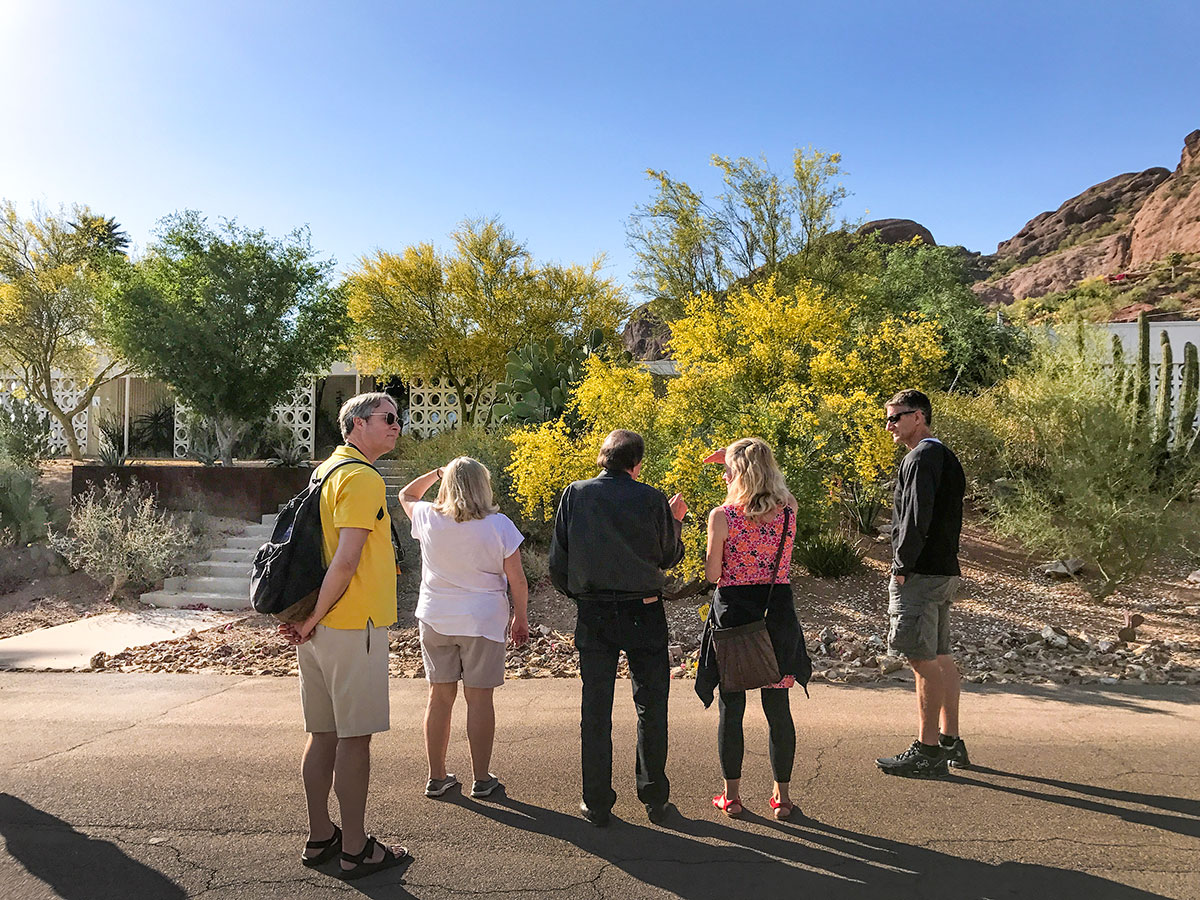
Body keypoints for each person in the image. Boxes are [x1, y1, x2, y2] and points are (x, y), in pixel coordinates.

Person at [279, 392, 409, 880]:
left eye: (399, 418)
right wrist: (312, 619)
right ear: (356, 424)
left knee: (323, 735)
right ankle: (356, 849)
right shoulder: (361, 477)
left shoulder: (326, 470)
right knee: (355, 741)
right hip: (354, 625)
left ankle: (320, 838)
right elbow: (347, 560)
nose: (396, 425)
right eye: (387, 418)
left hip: (322, 627)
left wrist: (309, 620)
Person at [548, 429, 687, 826]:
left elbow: (559, 561)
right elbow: (668, 556)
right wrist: (675, 522)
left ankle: (596, 801)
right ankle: (654, 797)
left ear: (603, 457)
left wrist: (580, 595)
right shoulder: (652, 498)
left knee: (595, 708)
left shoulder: (575, 494)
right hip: (643, 610)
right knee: (651, 704)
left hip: (594, 611)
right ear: (636, 463)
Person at [398, 456, 530, 801]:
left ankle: (437, 776)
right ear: (483, 486)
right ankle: (482, 778)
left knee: (439, 696)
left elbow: (406, 495)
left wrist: (436, 471)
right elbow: (517, 580)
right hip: (482, 620)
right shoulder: (499, 525)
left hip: (436, 616)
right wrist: (520, 617)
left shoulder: (427, 516)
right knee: (479, 698)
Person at [695, 438, 810, 821]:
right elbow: (782, 492)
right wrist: (742, 460)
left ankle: (732, 797)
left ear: (736, 475)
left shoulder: (722, 517)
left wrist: (730, 467)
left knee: (733, 708)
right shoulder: (789, 510)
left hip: (735, 618)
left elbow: (713, 574)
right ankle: (782, 797)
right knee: (779, 710)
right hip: (776, 615)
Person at [875, 389, 969, 778]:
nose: (890, 425)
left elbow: (915, 518)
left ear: (919, 418)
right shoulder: (945, 455)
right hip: (944, 570)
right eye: (888, 418)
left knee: (920, 658)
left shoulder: (921, 457)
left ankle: (928, 750)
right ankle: (950, 741)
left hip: (922, 574)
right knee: (941, 654)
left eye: (896, 417)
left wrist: (902, 565)